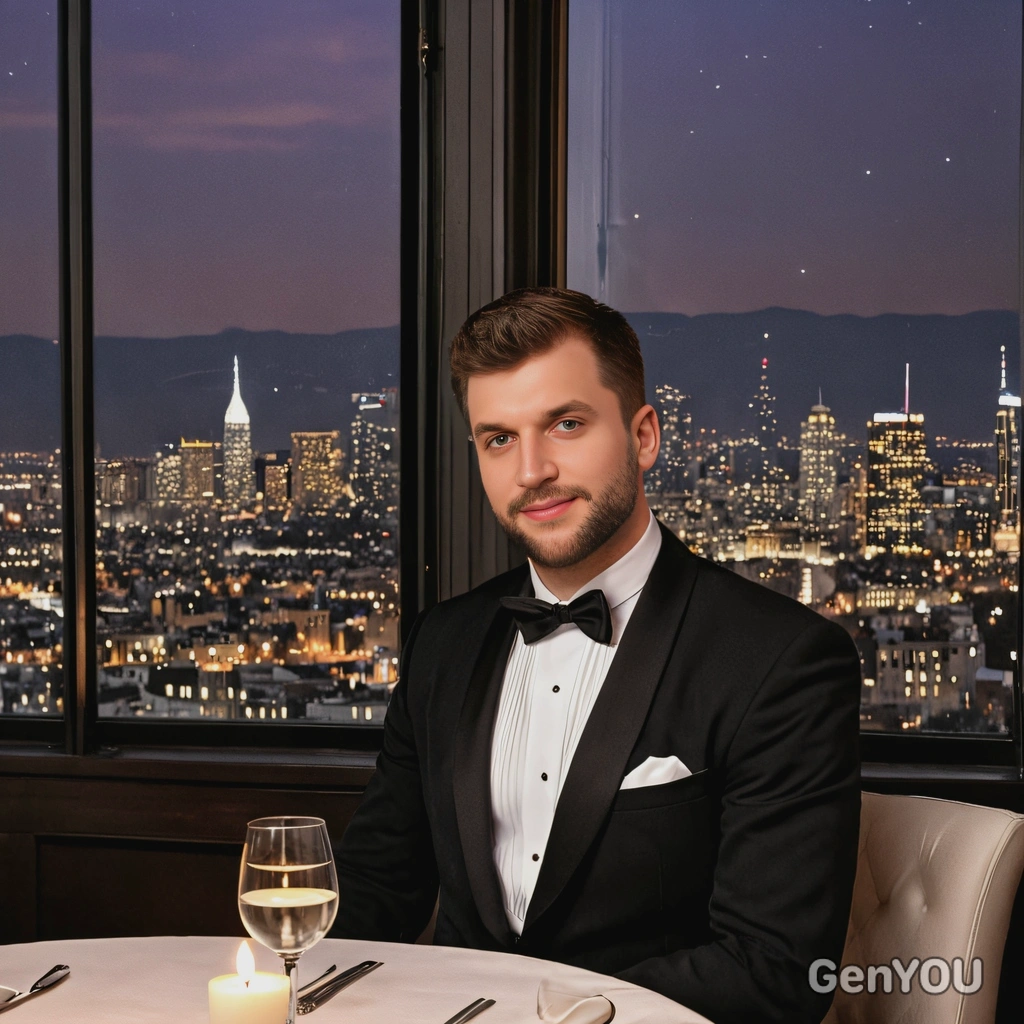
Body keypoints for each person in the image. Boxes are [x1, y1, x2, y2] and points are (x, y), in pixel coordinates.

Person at [331, 287, 861, 1024]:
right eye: (498, 439)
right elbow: (375, 891)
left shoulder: (783, 660)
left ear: (643, 436)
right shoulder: (442, 643)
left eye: (567, 424)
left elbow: (772, 971)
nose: (531, 471)